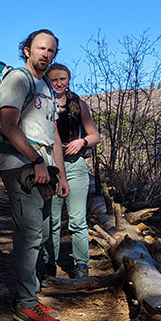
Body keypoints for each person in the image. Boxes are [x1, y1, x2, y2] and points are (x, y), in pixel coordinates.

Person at [0, 29, 68, 321]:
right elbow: (8, 126)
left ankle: (30, 296)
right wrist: (36, 160)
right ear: (26, 50)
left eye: (51, 51)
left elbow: (53, 136)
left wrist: (60, 175)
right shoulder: (18, 79)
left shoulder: (46, 87)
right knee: (29, 233)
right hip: (21, 164)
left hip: (43, 166)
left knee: (40, 231)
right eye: (41, 48)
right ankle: (26, 304)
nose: (46, 54)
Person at [42, 63, 100, 279]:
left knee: (77, 219)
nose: (58, 83)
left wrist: (82, 141)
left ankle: (82, 264)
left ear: (69, 80)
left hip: (75, 165)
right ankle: (49, 263)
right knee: (52, 219)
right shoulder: (41, 102)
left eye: (62, 79)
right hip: (50, 166)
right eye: (54, 79)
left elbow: (95, 135)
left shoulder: (77, 103)